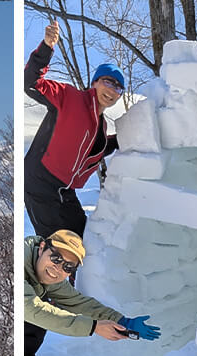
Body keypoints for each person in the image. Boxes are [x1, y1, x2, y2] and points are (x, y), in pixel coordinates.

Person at [24, 19, 123, 239]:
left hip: (65, 190)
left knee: (85, 240)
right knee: (58, 246)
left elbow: (98, 150)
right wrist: (46, 49)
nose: (112, 90)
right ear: (95, 82)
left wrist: (130, 136)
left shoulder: (101, 125)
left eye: (118, 87)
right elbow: (30, 83)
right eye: (108, 81)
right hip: (40, 182)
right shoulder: (70, 97)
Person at [24, 230, 160, 356]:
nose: (58, 268)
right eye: (56, 258)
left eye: (68, 267)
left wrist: (122, 321)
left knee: (41, 311)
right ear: (42, 247)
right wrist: (93, 327)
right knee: (39, 312)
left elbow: (78, 302)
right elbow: (31, 308)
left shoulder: (49, 276)